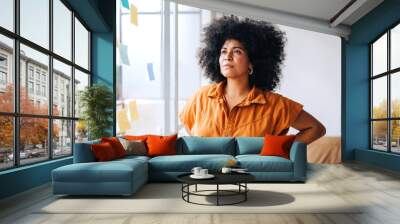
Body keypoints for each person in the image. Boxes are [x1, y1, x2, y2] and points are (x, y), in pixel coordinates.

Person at [179, 16, 325, 144]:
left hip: (253, 175)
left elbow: (316, 128)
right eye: (223, 51)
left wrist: (282, 149)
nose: (227, 56)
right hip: (206, 175)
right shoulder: (200, 97)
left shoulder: (275, 105)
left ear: (252, 62)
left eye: (237, 51)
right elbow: (189, 127)